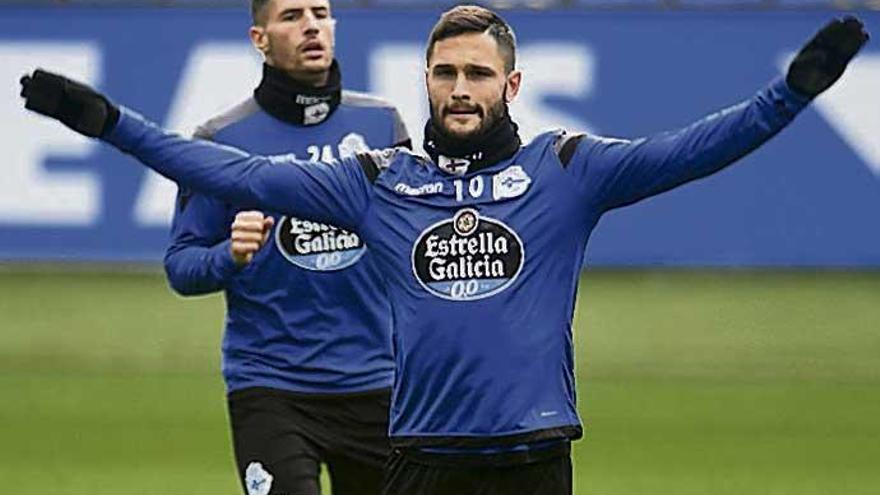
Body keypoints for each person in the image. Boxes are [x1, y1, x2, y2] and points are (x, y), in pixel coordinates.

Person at [20, 7, 868, 495]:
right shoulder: (375, 181)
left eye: (478, 73)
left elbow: (694, 149)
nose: (461, 89)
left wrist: (790, 95)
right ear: (425, 81)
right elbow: (227, 169)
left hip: (538, 460)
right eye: (446, 73)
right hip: (420, 463)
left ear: (512, 85)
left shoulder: (568, 170)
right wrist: (110, 124)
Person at [163, 0, 409, 493]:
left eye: (320, 12)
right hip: (272, 388)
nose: (311, 25)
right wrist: (228, 255)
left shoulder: (384, 127)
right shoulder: (220, 140)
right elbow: (181, 266)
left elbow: (409, 246)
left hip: (378, 385)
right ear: (260, 39)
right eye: (292, 16)